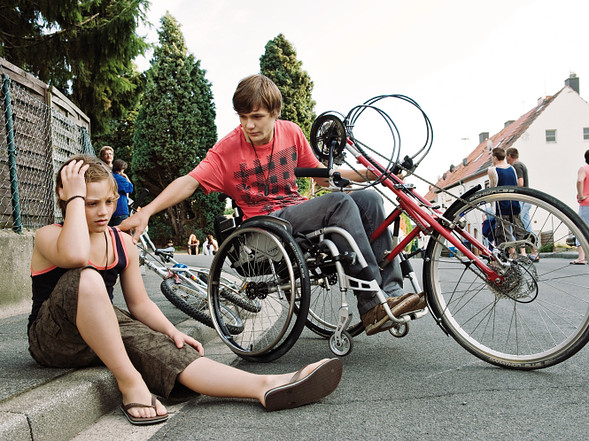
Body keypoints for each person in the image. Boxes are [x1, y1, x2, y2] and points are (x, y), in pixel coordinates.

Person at [27, 154, 342, 426]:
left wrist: (170, 331)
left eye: (109, 202)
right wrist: (75, 199)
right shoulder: (47, 236)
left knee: (170, 348)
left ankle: (266, 385)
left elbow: (139, 304)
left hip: (103, 331)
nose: (102, 212)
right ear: (67, 198)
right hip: (54, 339)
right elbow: (76, 257)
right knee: (87, 277)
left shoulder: (121, 243)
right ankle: (130, 382)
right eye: (90, 203)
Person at [120, 74, 425, 336]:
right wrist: (146, 211)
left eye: (256, 117)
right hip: (267, 224)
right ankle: (372, 304)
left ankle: (392, 294)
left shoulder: (291, 133)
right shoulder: (226, 150)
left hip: (298, 211)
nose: (248, 125)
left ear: (274, 113)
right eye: (242, 117)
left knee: (368, 199)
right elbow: (189, 181)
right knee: (341, 204)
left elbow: (323, 177)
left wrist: (375, 173)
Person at [487, 147, 528, 257]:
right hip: (514, 202)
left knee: (504, 232)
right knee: (518, 229)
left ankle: (512, 254)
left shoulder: (493, 170)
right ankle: (524, 254)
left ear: (495, 157)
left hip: (502, 204)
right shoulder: (512, 168)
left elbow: (492, 188)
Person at [505, 147, 539, 262]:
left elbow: (520, 182)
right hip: (526, 200)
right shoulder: (521, 164)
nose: (506, 159)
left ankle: (524, 253)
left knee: (518, 225)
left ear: (509, 156)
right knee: (527, 225)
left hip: (522, 199)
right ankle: (534, 252)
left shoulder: (517, 166)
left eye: (506, 156)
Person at [110, 159, 134, 227]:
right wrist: (126, 177)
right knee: (120, 234)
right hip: (121, 210)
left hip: (110, 210)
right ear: (122, 168)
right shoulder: (121, 179)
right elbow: (130, 188)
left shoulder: (108, 178)